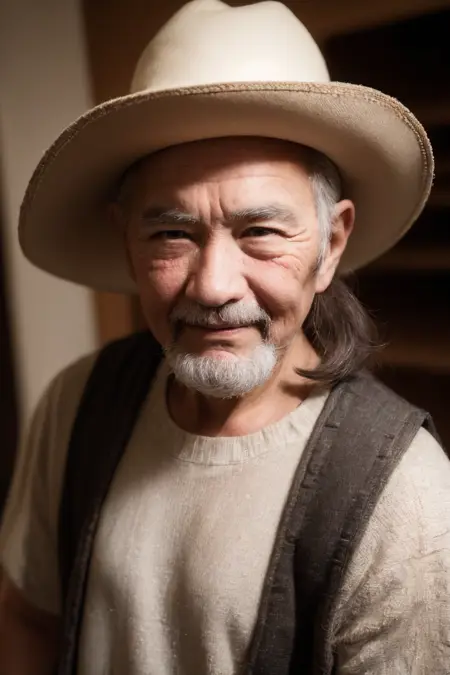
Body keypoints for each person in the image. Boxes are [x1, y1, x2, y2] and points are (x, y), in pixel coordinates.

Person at [1, 1, 449, 674]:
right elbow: (29, 616)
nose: (213, 286)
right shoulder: (77, 403)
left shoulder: (408, 504)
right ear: (127, 242)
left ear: (331, 244)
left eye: (259, 231)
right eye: (171, 233)